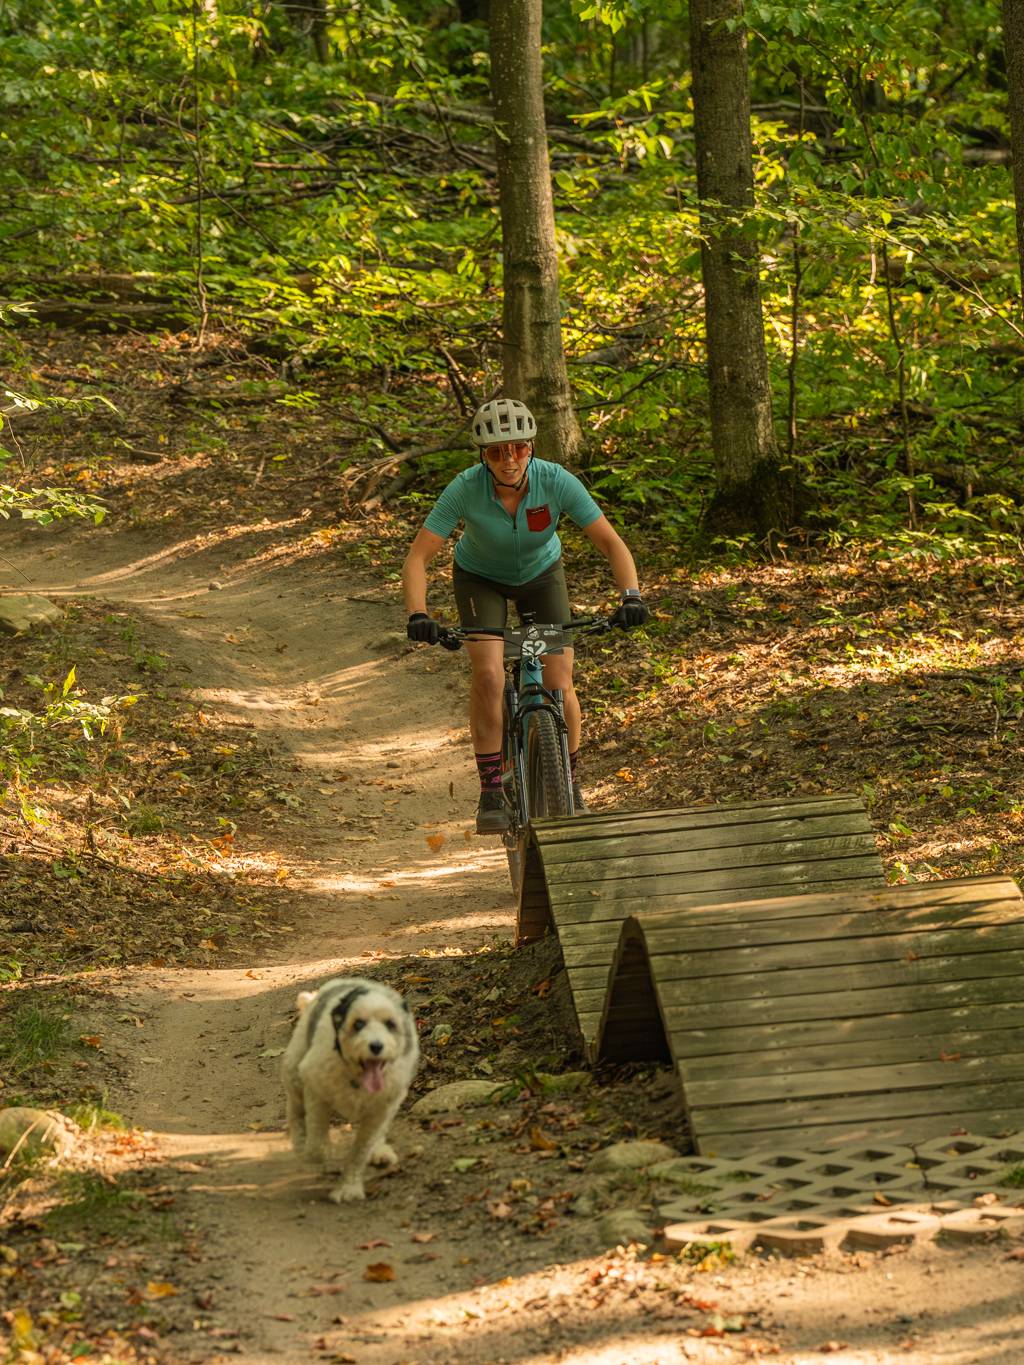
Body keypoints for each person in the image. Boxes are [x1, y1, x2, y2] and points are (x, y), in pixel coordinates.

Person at [402, 397, 648, 834]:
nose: (509, 459)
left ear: (531, 446)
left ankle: (569, 783)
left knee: (558, 680)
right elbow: (419, 557)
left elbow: (611, 542)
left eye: (517, 447)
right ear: (484, 456)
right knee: (490, 676)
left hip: (540, 577)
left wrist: (631, 596)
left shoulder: (556, 481)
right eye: (497, 451)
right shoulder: (464, 488)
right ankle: (492, 789)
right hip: (481, 579)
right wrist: (417, 613)